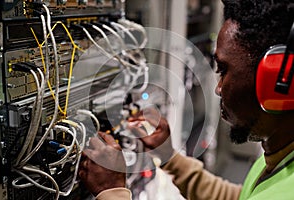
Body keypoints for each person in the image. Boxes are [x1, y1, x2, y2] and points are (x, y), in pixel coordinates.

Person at [78, 0, 294, 199]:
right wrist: (169, 158)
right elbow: (239, 197)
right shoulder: (281, 157)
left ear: (277, 80)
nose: (218, 89)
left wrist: (113, 192)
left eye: (224, 70)